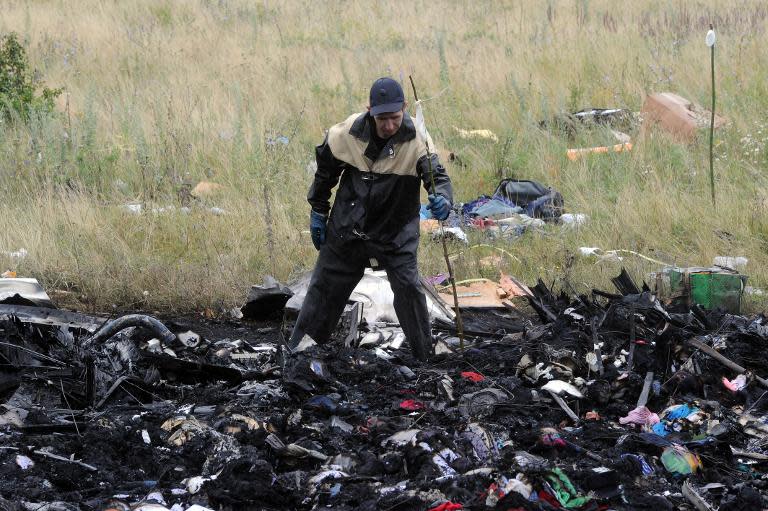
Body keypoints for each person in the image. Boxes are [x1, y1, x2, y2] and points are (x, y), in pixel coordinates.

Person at [288, 77, 453, 361]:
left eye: (395, 117)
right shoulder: (347, 133)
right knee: (324, 288)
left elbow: (436, 177)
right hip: (347, 228)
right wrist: (318, 209)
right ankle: (300, 354)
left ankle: (425, 357)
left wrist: (444, 201)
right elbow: (325, 172)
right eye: (382, 119)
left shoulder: (418, 140)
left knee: (409, 288)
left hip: (396, 231)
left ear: (404, 108)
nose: (389, 126)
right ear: (369, 111)